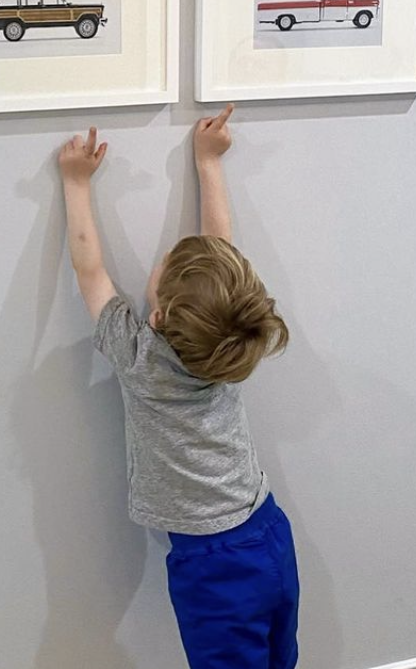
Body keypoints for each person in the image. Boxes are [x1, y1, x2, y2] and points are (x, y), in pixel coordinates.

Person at [57, 107, 298, 669]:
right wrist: (208, 164)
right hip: (268, 531)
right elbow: (220, 247)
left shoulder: (138, 356)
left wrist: (75, 184)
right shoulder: (232, 344)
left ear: (159, 314)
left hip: (211, 564)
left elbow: (90, 271)